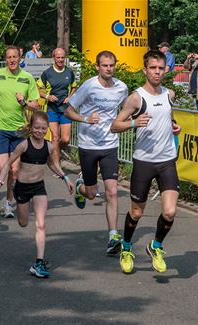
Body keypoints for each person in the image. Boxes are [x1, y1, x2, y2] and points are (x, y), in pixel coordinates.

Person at [110, 50, 182, 273]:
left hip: (167, 160)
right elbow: (114, 126)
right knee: (137, 212)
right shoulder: (136, 97)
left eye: (161, 68)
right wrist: (133, 124)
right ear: (145, 70)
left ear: (166, 70)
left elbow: (168, 119)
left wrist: (175, 126)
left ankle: (156, 245)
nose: (157, 72)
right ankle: (127, 246)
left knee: (169, 212)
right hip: (144, 162)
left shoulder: (170, 95)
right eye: (153, 68)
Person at [0, 111, 73, 278]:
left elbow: (53, 164)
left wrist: (66, 178)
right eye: (37, 128)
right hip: (22, 188)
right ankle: (14, 194)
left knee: (41, 224)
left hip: (39, 188)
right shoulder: (24, 145)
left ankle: (39, 262)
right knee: (22, 223)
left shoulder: (49, 146)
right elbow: (7, 163)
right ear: (31, 127)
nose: (40, 131)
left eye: (43, 128)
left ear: (47, 129)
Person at [64, 50, 129, 255]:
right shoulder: (89, 86)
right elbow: (69, 110)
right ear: (97, 67)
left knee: (111, 191)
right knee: (92, 194)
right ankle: (81, 187)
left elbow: (127, 109)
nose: (109, 68)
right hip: (88, 145)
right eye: (105, 65)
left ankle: (113, 236)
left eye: (112, 65)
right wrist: (85, 119)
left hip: (110, 144)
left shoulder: (122, 88)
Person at [0, 46, 40, 218]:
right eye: (9, 57)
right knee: (3, 167)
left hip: (19, 130)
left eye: (15, 56)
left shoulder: (27, 78)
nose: (12, 60)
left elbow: (35, 105)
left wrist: (23, 102)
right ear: (6, 58)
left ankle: (8, 204)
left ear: (20, 57)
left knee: (14, 171)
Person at [36, 48, 77, 163]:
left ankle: (54, 152)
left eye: (62, 57)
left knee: (65, 139)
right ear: (53, 58)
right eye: (58, 57)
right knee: (55, 137)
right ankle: (56, 162)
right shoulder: (47, 73)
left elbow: (74, 87)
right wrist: (48, 96)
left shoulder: (69, 72)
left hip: (65, 110)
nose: (60, 60)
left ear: (65, 58)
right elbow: (37, 89)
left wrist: (70, 96)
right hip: (51, 109)